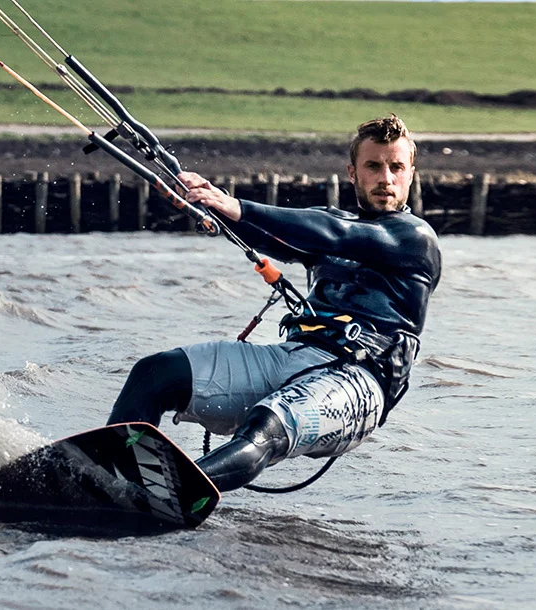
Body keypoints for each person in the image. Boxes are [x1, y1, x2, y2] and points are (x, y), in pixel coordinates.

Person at [106, 114, 442, 492]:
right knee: (156, 373)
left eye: (396, 167)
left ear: (411, 172)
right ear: (353, 173)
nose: (385, 178)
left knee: (264, 427)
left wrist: (237, 206)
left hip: (360, 382)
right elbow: (280, 235)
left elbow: (339, 235)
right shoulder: (328, 221)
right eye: (373, 166)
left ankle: (163, 493)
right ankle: (110, 476)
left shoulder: (415, 238)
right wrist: (209, 201)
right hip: (296, 355)